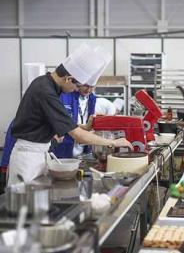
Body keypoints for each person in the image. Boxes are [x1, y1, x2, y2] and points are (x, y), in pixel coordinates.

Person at [7, 44, 133, 185]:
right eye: (77, 86)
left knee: (37, 202)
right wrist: (114, 142)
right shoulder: (45, 91)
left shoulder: (46, 84)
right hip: (28, 160)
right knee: (25, 204)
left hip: (39, 155)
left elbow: (53, 122)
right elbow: (77, 136)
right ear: (69, 78)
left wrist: (82, 127)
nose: (75, 90)